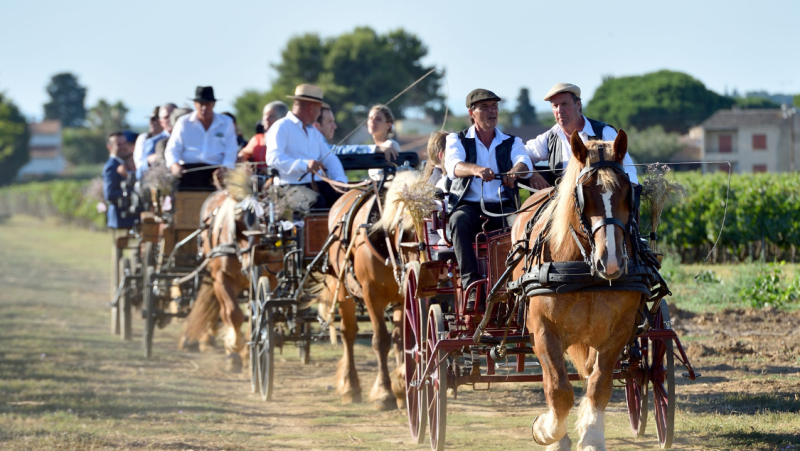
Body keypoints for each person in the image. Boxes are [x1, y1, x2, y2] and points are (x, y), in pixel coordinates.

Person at [444, 89, 533, 309]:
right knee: (458, 220)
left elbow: (524, 162)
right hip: (470, 207)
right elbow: (453, 166)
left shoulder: (512, 141)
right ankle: (472, 285)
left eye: (494, 106)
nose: (492, 111)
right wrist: (475, 169)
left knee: (526, 227)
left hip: (504, 209)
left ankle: (523, 284)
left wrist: (515, 170)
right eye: (485, 107)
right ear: (472, 113)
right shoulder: (456, 139)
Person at [524, 83, 638, 184]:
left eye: (564, 104)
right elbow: (521, 154)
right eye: (555, 106)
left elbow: (629, 171)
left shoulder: (604, 132)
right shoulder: (549, 137)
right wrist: (533, 173)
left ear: (578, 104)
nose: (559, 110)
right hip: (562, 205)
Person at [265, 84, 347, 208]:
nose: (319, 114)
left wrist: (340, 180)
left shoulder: (314, 133)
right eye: (319, 110)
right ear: (311, 108)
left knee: (346, 199)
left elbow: (329, 158)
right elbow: (273, 158)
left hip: (317, 184)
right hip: (289, 186)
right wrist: (304, 164)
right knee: (316, 202)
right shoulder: (281, 127)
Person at [164, 86, 239, 190]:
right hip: (187, 172)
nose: (204, 108)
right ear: (195, 104)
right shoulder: (183, 123)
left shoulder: (226, 122)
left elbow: (231, 150)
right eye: (201, 104)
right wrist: (174, 165)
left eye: (207, 104)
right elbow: (172, 149)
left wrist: (226, 168)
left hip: (216, 172)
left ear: (213, 105)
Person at [238, 101, 288, 169]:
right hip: (259, 178)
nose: (266, 119)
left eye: (271, 116)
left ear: (281, 119)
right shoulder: (257, 139)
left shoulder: (289, 138)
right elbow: (244, 153)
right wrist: (244, 161)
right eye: (265, 115)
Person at [103, 131, 136, 229]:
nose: (123, 147)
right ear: (110, 147)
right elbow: (109, 194)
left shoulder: (124, 163)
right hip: (122, 216)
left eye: (124, 143)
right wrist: (134, 192)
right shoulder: (111, 166)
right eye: (118, 144)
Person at [136, 103, 177, 179]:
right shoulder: (153, 142)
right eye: (166, 117)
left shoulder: (186, 138)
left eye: (172, 116)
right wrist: (148, 161)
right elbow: (140, 174)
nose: (170, 120)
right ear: (161, 121)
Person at [132, 106, 163, 174]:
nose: (151, 122)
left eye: (154, 119)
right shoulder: (144, 138)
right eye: (150, 119)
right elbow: (139, 163)